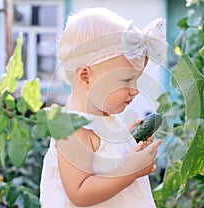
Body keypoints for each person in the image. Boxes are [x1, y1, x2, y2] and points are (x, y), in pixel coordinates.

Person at [40, 7, 167, 208]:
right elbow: (79, 193)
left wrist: (126, 141)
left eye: (137, 80)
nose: (134, 90)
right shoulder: (75, 128)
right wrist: (130, 170)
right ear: (85, 77)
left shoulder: (102, 120)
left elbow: (102, 159)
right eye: (126, 80)